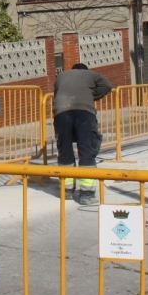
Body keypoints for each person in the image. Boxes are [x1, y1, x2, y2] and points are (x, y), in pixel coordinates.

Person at [53, 62, 113, 205]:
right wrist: (93, 96)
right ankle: (86, 194)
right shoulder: (91, 74)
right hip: (84, 112)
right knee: (86, 149)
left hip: (62, 111)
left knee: (65, 150)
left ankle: (66, 191)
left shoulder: (61, 75)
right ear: (85, 71)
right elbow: (107, 86)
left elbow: (57, 93)